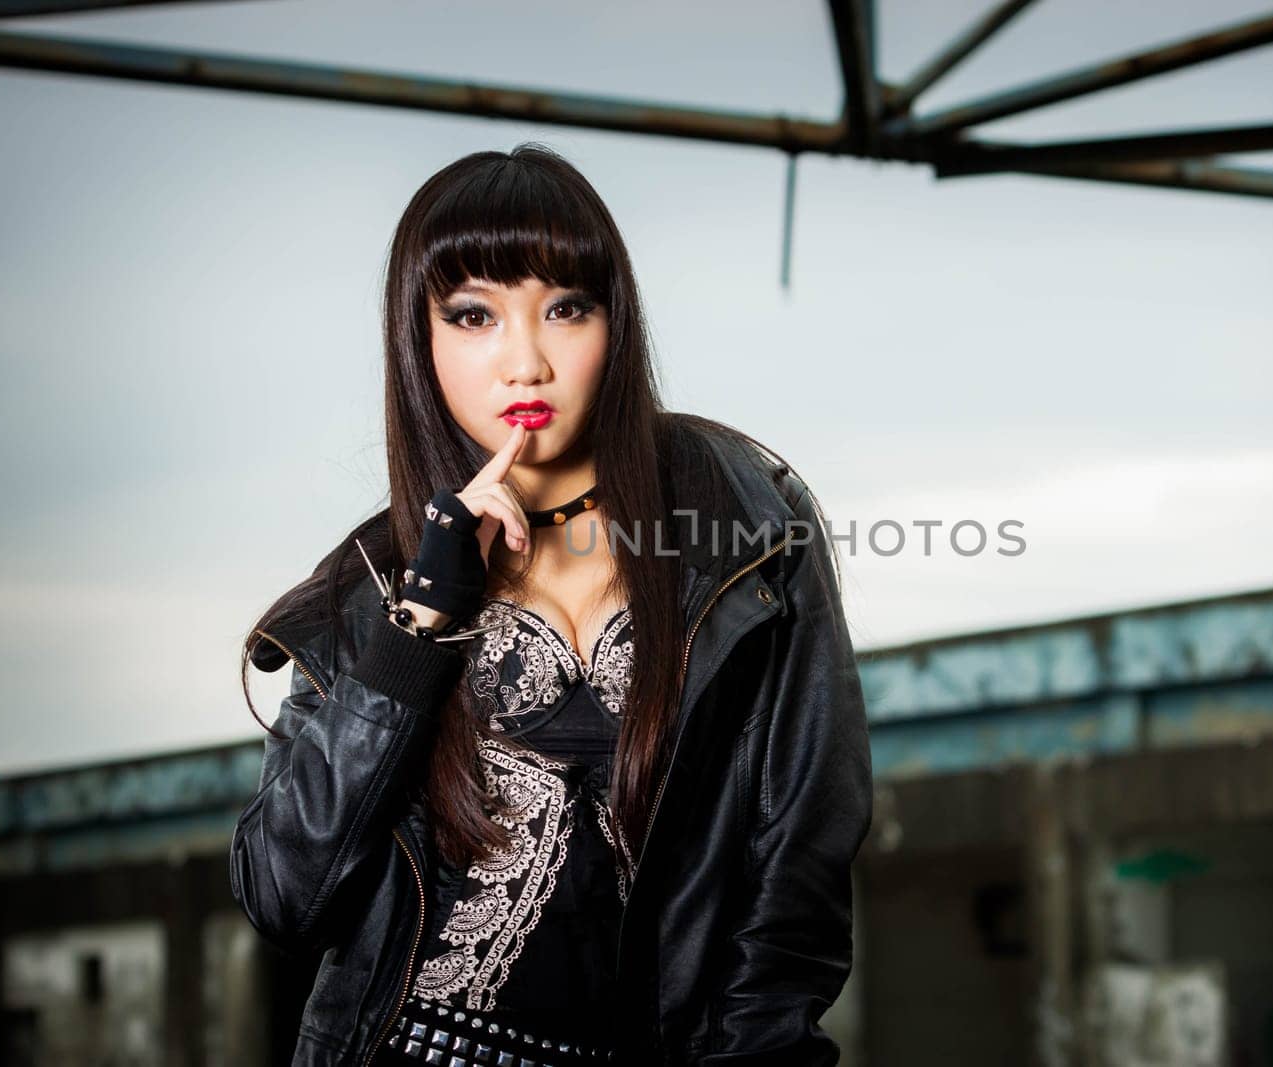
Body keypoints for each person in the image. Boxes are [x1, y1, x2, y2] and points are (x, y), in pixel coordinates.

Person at [229, 142, 873, 1067]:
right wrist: (422, 625)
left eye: (565, 309)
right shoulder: (367, 592)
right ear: (422, 343)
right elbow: (286, 895)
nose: (525, 361)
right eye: (474, 315)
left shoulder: (745, 524)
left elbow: (800, 864)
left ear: (616, 324)